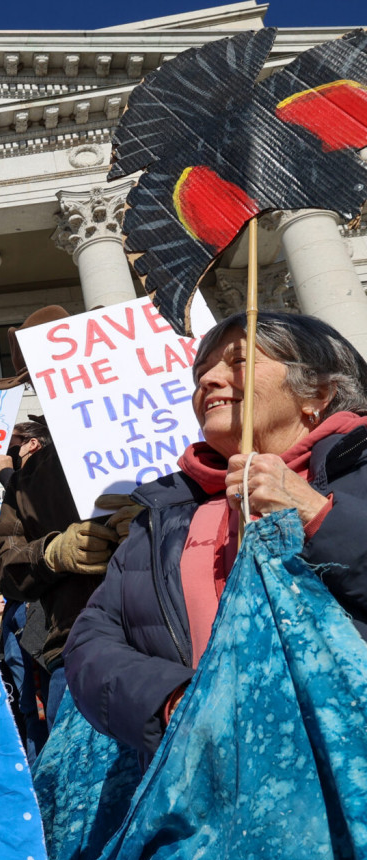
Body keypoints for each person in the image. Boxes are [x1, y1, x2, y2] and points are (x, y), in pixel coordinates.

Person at [66, 312, 367, 759]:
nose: (208, 380)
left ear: (318, 393)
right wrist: (172, 703)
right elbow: (93, 638)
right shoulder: (162, 513)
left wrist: (313, 512)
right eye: (201, 372)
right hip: (208, 773)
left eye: (238, 361)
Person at [0, 307, 130, 728]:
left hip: (192, 637)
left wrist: (159, 517)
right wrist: (51, 554)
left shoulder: (168, 435)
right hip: (81, 649)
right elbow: (3, 566)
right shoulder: (29, 477)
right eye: (37, 379)